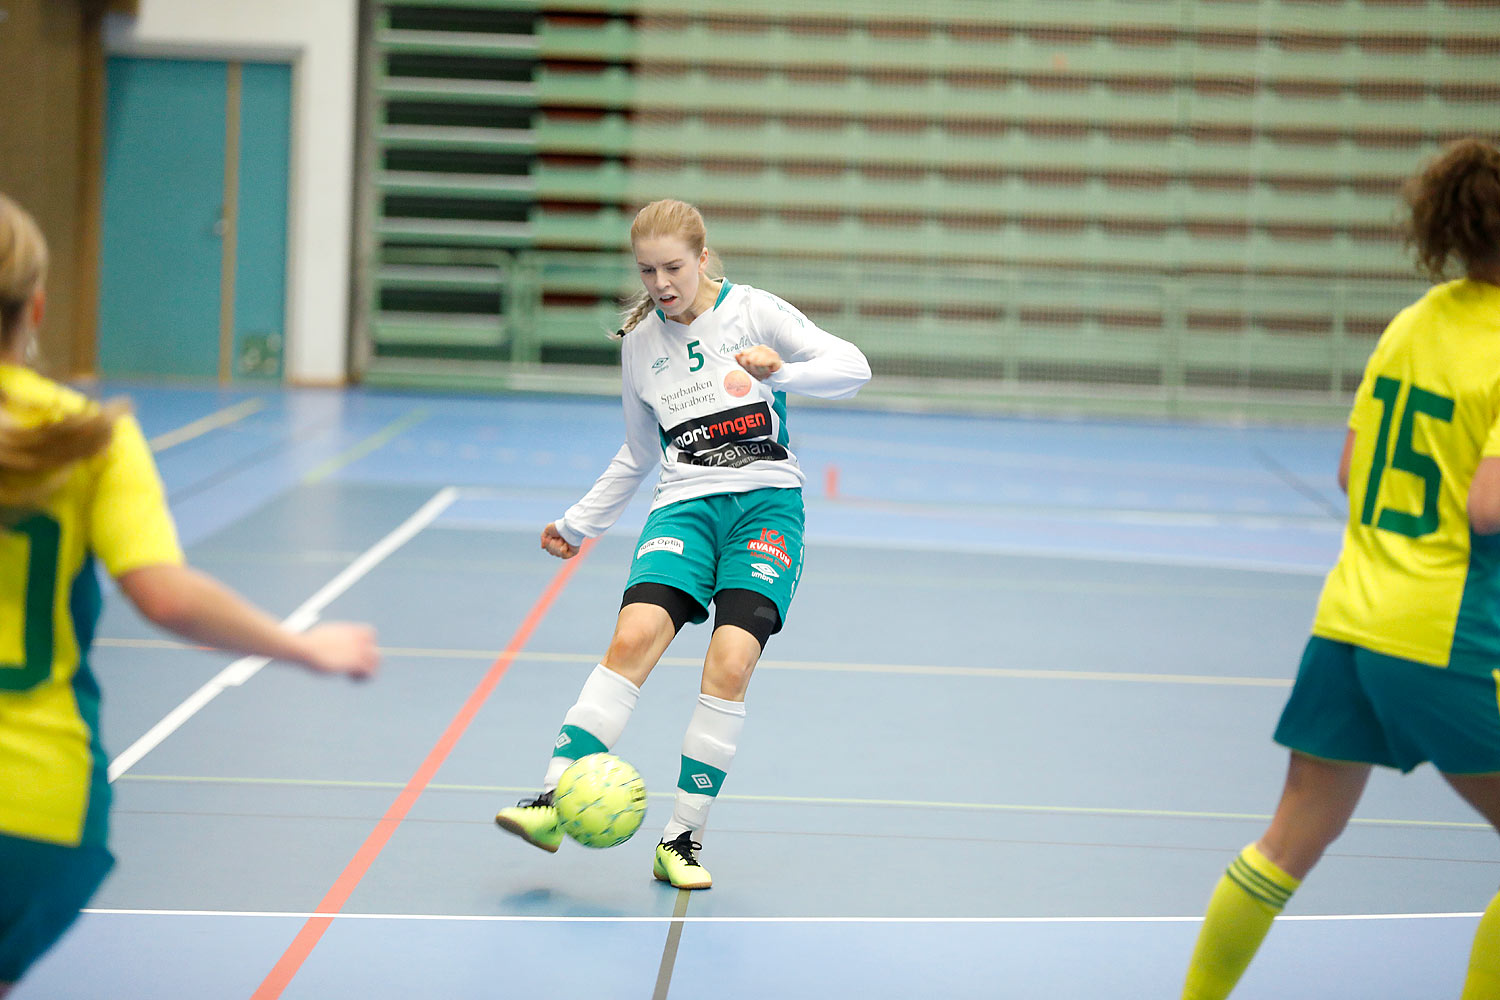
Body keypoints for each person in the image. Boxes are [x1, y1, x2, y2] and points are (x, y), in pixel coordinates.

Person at [0, 192, 379, 995]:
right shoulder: (87, 433)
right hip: (36, 809)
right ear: (35, 306)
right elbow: (166, 596)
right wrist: (302, 645)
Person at [1180, 138, 1500, 999]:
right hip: (1444, 630)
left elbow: (1352, 471)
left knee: (1288, 841)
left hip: (1350, 618)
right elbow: (1490, 509)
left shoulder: (1417, 321)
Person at [494, 198, 870, 889]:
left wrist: (780, 372)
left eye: (673, 267)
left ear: (701, 259)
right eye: (647, 271)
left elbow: (853, 368)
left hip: (765, 509)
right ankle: (549, 800)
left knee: (729, 664)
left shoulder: (755, 312)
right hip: (684, 511)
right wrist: (578, 524)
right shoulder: (640, 346)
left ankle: (681, 841)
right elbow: (637, 455)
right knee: (633, 638)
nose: (662, 283)